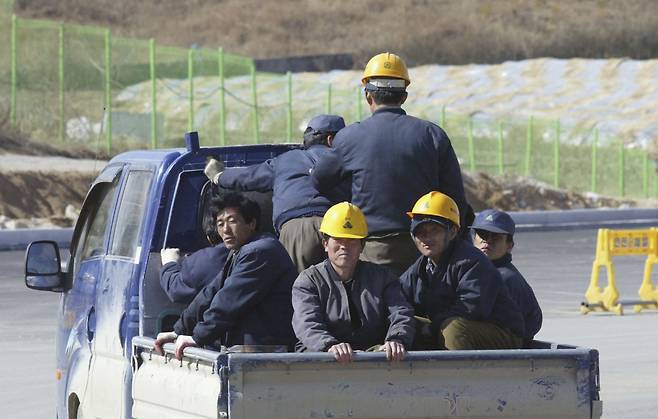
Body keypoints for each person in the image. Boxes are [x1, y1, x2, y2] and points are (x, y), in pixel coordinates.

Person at [311, 52, 470, 276]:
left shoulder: (349, 137)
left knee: (376, 308)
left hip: (371, 249)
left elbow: (319, 180)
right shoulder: (432, 135)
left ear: (368, 96)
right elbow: (455, 197)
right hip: (425, 247)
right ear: (404, 96)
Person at [154, 192, 298, 360]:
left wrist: (198, 336)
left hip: (266, 352)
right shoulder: (241, 251)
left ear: (251, 223)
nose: (225, 229)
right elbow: (210, 292)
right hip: (251, 351)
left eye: (232, 221)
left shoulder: (260, 251)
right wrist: (178, 330)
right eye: (220, 223)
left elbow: (228, 301)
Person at [204, 114, 349, 273]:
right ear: (331, 140)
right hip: (340, 227)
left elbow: (249, 177)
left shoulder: (286, 160)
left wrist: (219, 176)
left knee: (299, 290)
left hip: (297, 231)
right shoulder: (346, 159)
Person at [400, 191, 525, 350]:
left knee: (453, 328)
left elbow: (470, 309)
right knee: (405, 322)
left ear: (452, 232)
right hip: (454, 325)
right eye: (421, 232)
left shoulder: (472, 262)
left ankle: (457, 374)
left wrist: (430, 328)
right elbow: (397, 295)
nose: (427, 238)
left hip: (502, 333)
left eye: (434, 230)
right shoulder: (421, 267)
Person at [292, 202, 415, 363]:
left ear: (362, 246)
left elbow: (401, 312)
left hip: (372, 355)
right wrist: (330, 345)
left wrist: (397, 339)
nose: (344, 246)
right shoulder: (308, 281)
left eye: (352, 240)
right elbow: (307, 323)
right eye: (338, 239)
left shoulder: (383, 278)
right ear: (325, 244)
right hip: (322, 357)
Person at [471, 209, 543, 345]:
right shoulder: (478, 270)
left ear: (509, 245)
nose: (488, 241)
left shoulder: (504, 277)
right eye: (483, 235)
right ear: (474, 238)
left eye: (496, 237)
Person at [159, 205, 230, 304]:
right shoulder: (254, 251)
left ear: (209, 237)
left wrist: (169, 264)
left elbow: (177, 289)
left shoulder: (210, 259)